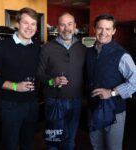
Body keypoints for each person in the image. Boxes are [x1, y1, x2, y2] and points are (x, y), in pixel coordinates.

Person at [0, 7, 40, 150]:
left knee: (28, 143)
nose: (30, 27)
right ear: (17, 24)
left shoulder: (36, 46)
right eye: (26, 23)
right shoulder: (2, 46)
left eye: (33, 24)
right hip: (11, 105)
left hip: (32, 104)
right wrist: (15, 86)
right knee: (10, 144)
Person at [85, 13, 136, 150]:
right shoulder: (89, 52)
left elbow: (135, 81)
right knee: (96, 146)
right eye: (100, 28)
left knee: (113, 148)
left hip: (114, 112)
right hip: (94, 108)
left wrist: (112, 92)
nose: (103, 33)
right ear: (94, 29)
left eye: (108, 29)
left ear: (114, 31)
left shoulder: (122, 55)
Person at [37, 12, 86, 150]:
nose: (66, 28)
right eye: (62, 24)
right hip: (54, 100)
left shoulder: (83, 49)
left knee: (70, 139)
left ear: (75, 26)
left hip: (76, 101)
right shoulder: (47, 48)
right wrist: (53, 81)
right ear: (58, 27)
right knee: (53, 140)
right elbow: (39, 74)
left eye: (69, 24)